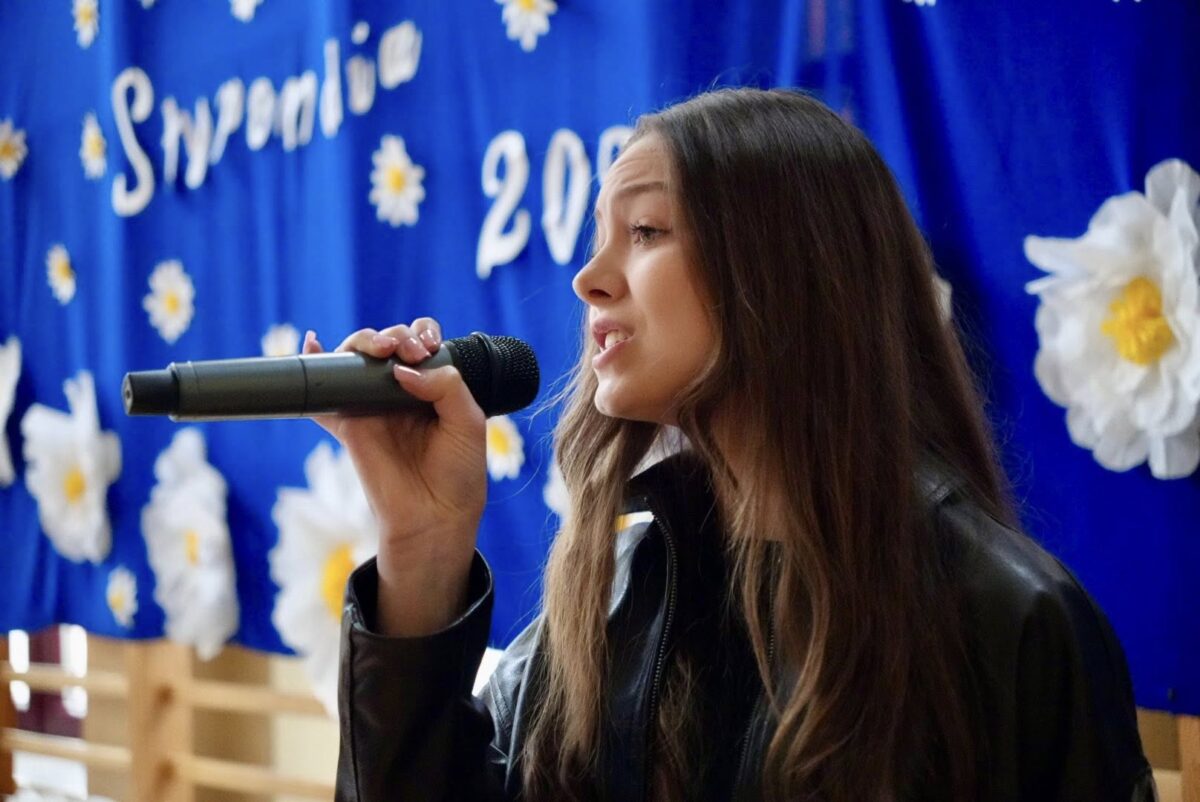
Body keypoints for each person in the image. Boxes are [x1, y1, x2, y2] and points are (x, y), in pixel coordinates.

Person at [305, 88, 1155, 801]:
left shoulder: (1012, 623)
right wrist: (422, 546)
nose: (588, 279)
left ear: (787, 268)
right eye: (600, 236)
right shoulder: (602, 609)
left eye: (645, 232)